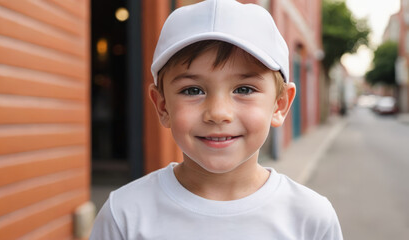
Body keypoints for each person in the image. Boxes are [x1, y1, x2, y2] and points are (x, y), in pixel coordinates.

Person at [90, 0, 343, 239]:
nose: (218, 113)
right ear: (163, 105)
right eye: (193, 90)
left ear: (280, 104)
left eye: (244, 89)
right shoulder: (123, 216)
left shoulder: (311, 218)